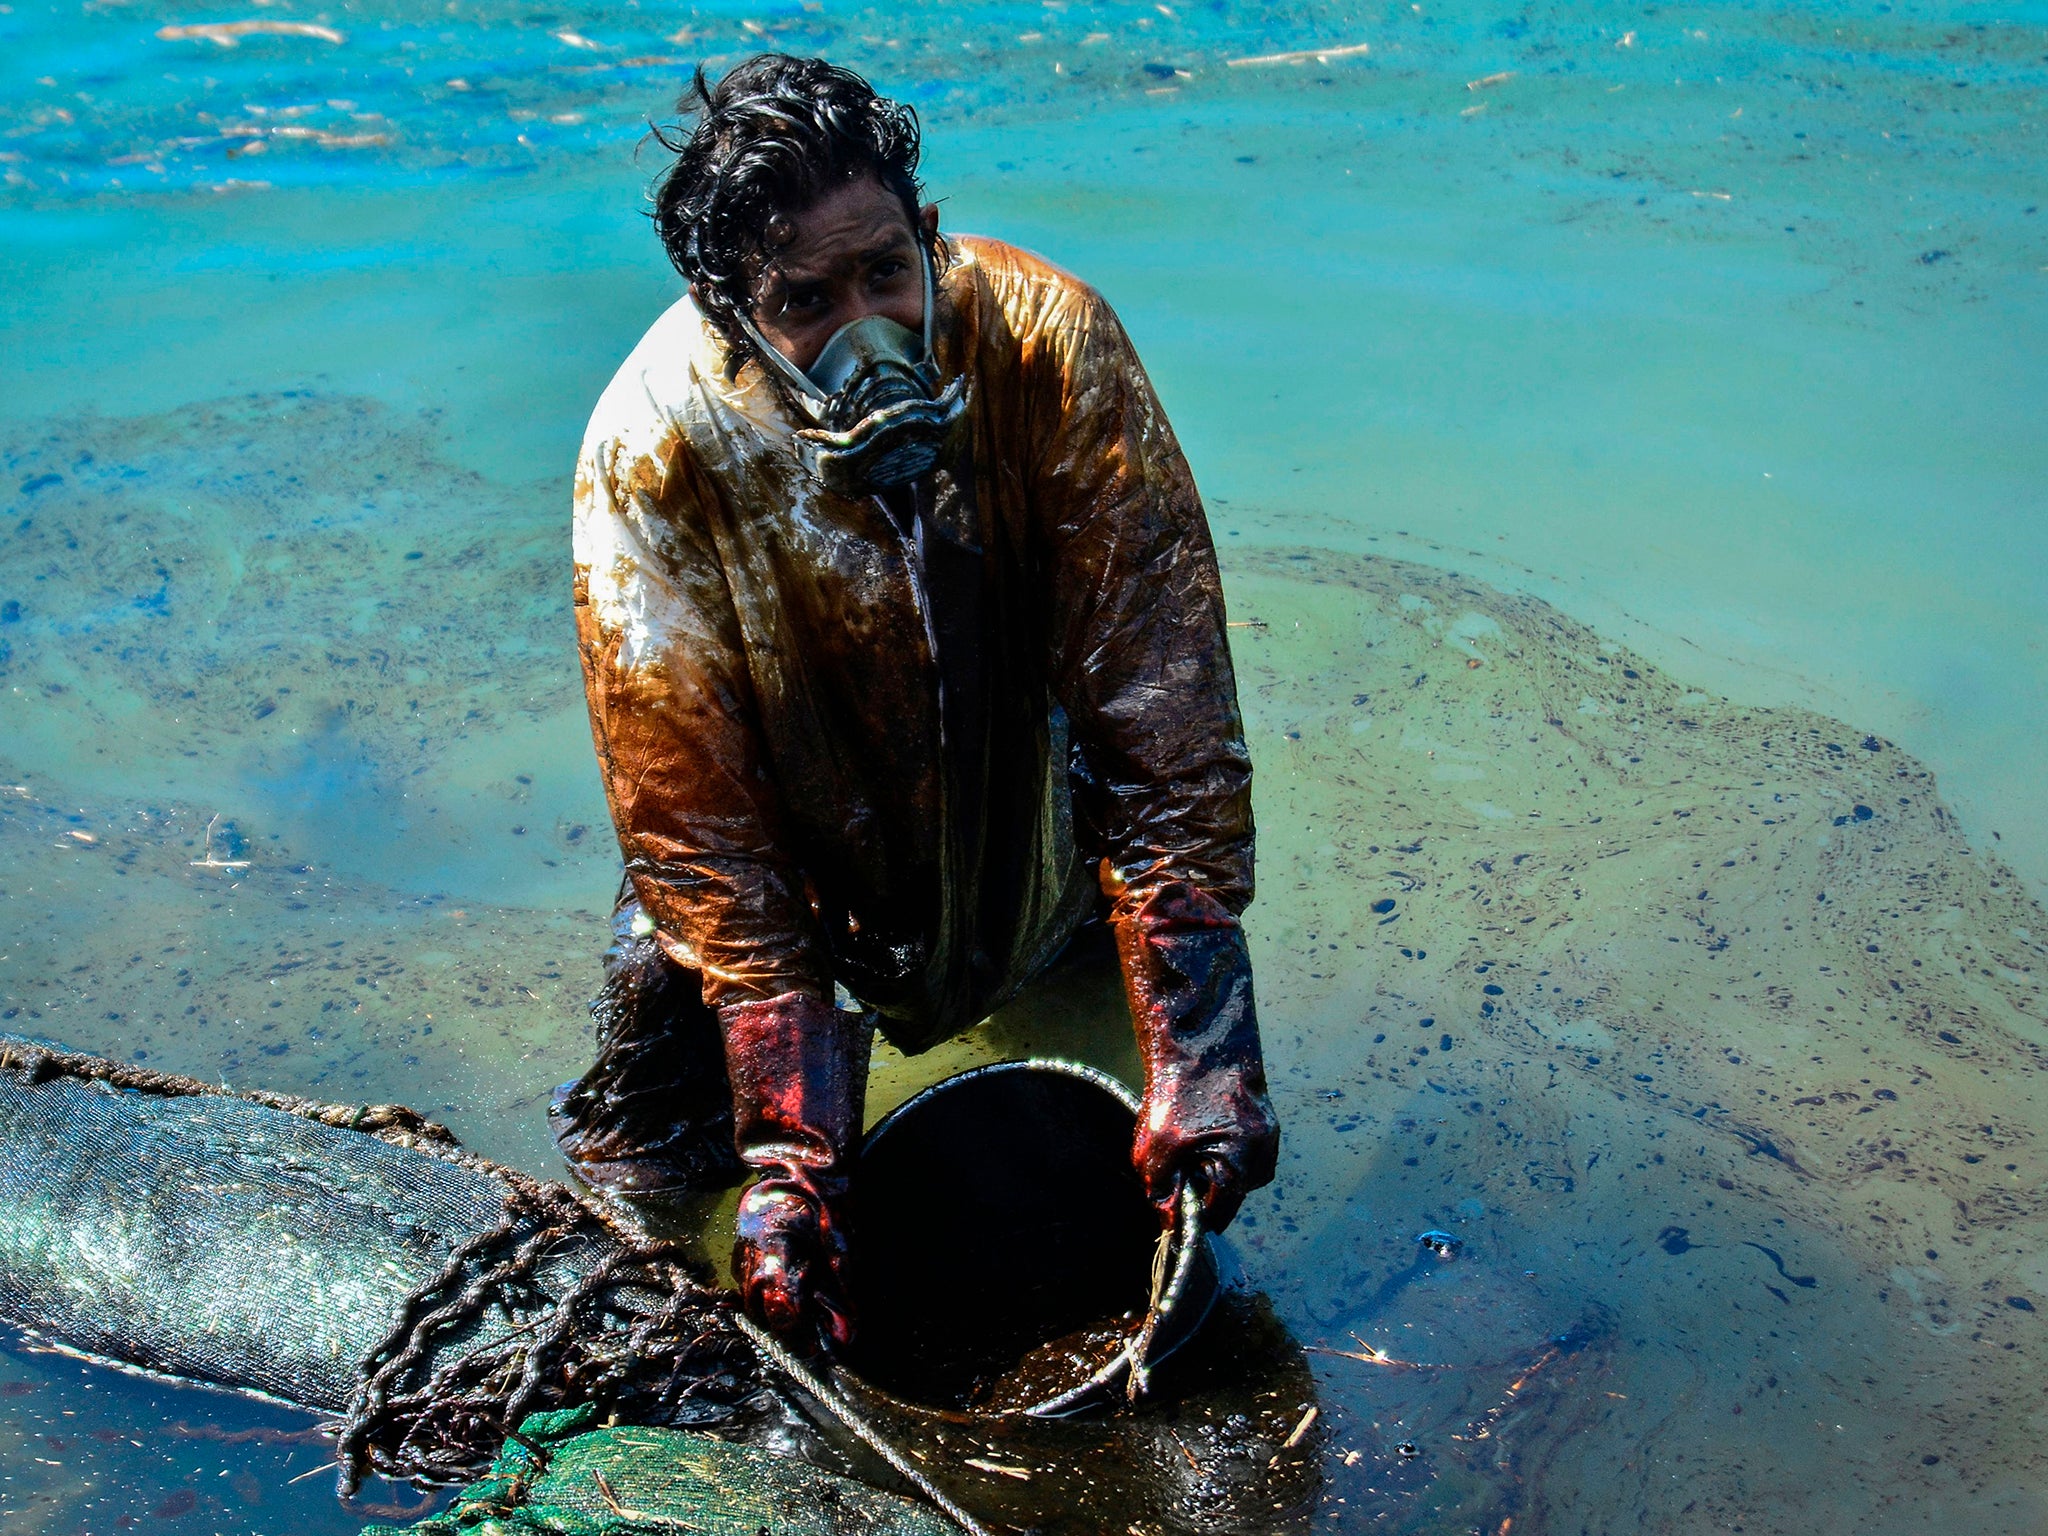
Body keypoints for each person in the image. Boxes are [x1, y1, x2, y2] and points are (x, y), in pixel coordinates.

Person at [552, 53, 1278, 1346]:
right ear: (728, 313)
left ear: (929, 238)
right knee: (649, 1200)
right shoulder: (649, 453)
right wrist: (791, 1162)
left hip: (1025, 824)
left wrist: (1206, 1049)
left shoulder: (1049, 343)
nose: (867, 326)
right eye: (806, 300)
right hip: (767, 885)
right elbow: (695, 821)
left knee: (1122, 1159)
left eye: (886, 272)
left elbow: (1159, 697)